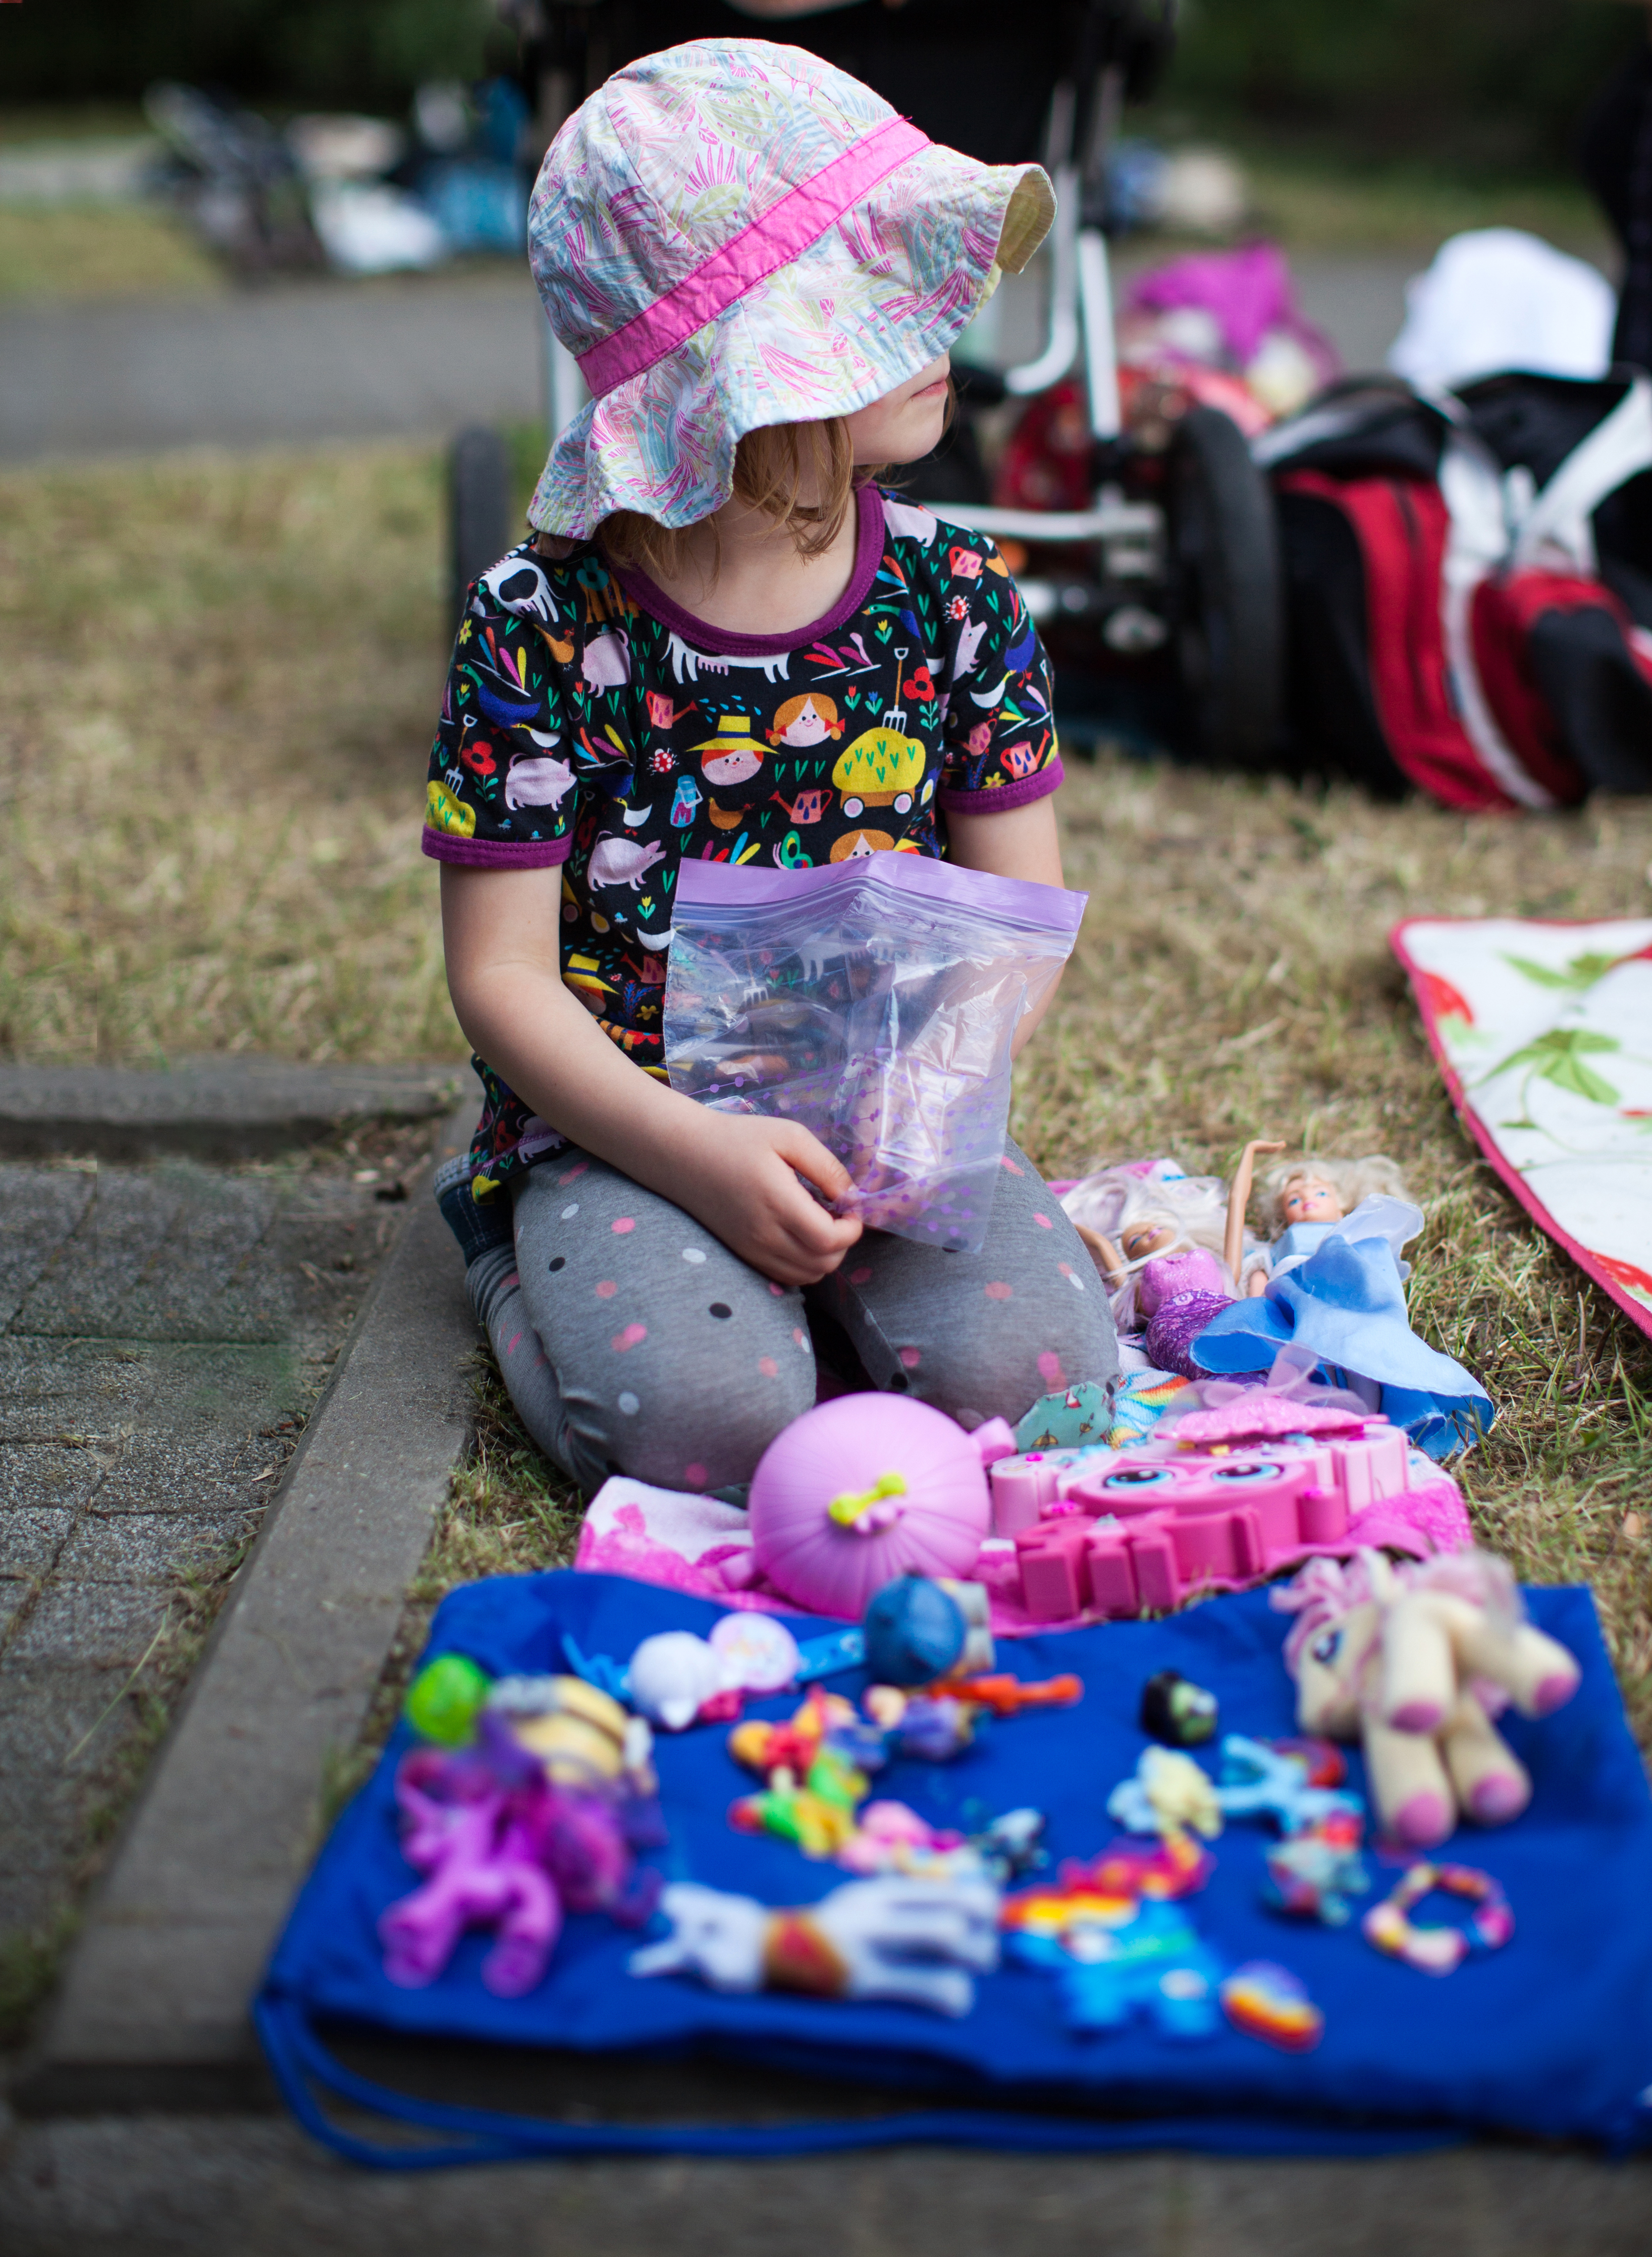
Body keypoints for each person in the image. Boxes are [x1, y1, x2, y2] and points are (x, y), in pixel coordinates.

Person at [426, 36, 1116, 1497]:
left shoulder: (955, 593)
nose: (952, 322)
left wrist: (909, 1104)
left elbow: (1021, 912)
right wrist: (694, 1157)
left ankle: (828, 1316)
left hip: (891, 1122)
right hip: (626, 1132)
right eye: (885, 304)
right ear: (749, 368)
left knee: (1042, 1393)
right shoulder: (540, 622)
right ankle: (506, 1265)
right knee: (710, 1434)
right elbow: (500, 980)